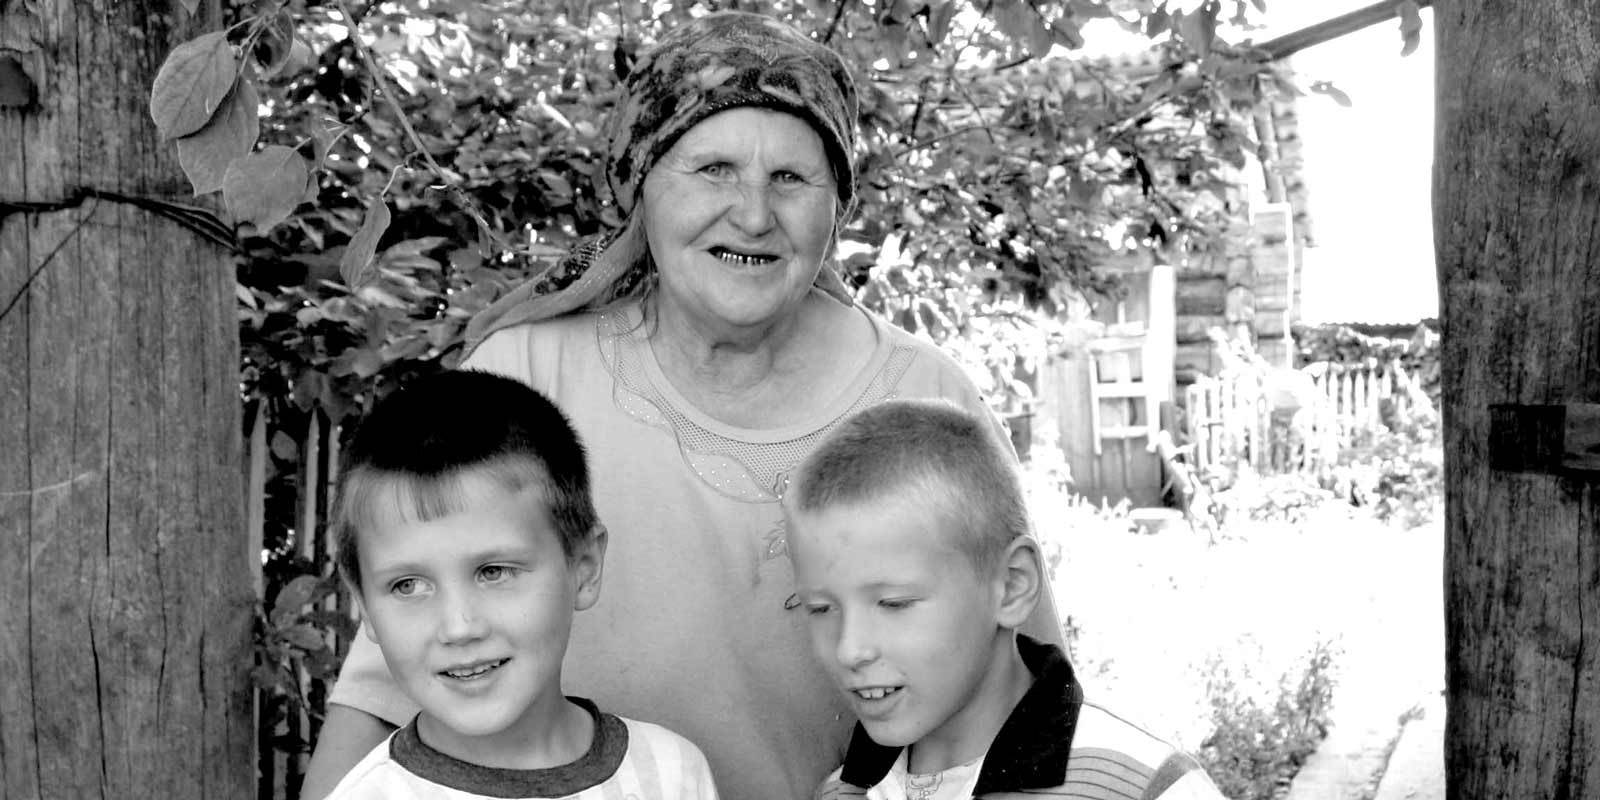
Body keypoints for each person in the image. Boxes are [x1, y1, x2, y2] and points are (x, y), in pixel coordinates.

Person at [303, 12, 1064, 800]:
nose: (754, 214)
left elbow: (1024, 691)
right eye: (713, 169)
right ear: (641, 189)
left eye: (792, 179)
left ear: (836, 206)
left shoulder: (923, 397)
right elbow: (387, 685)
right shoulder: (525, 375)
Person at [785, 399, 1226, 800]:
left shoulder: (1142, 789)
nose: (850, 649)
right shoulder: (845, 792)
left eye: (893, 603)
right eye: (821, 609)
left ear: (1012, 585)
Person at [322, 369, 720, 799]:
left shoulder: (672, 773)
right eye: (407, 585)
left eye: (493, 572)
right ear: (363, 602)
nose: (459, 627)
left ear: (583, 566)